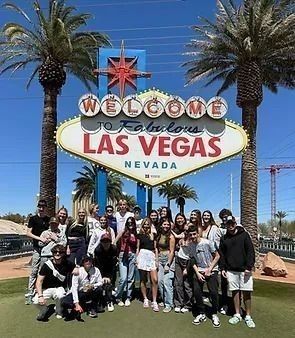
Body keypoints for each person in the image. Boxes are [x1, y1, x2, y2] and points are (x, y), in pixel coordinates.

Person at [219, 216, 256, 328]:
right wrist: (223, 268)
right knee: (235, 292)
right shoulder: (224, 238)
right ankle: (237, 314)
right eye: (228, 224)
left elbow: (250, 251)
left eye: (232, 223)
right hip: (231, 270)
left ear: (235, 223)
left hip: (245, 270)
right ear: (225, 225)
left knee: (246, 292)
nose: (230, 225)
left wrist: (249, 267)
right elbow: (222, 255)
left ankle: (248, 316)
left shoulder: (244, 235)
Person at [188, 226, 221, 328]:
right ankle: (201, 313)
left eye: (194, 234)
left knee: (214, 292)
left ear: (198, 234)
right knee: (197, 291)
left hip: (211, 270)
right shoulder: (190, 245)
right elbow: (192, 260)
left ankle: (214, 313)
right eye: (190, 235)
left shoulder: (207, 242)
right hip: (199, 270)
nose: (193, 236)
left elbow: (217, 256)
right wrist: (197, 273)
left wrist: (209, 269)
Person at [33, 244, 75, 321]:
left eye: (60, 252)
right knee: (36, 301)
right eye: (55, 252)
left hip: (59, 288)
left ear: (63, 253)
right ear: (52, 253)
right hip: (47, 288)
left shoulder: (67, 263)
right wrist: (40, 296)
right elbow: (39, 281)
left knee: (61, 295)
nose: (57, 254)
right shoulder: (46, 265)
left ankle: (59, 310)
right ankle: (44, 310)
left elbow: (76, 270)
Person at [25, 199, 50, 304]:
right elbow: (28, 233)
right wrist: (40, 238)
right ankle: (30, 293)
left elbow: (51, 232)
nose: (41, 208)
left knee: (44, 271)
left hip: (46, 250)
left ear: (46, 208)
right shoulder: (33, 219)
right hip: (36, 249)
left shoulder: (48, 219)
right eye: (39, 206)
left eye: (43, 206)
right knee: (34, 271)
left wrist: (48, 239)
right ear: (38, 207)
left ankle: (41, 292)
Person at [136, 218, 159, 312]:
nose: (146, 226)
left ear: (150, 225)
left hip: (151, 256)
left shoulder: (153, 235)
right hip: (142, 256)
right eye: (144, 224)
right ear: (142, 225)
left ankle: (154, 301)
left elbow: (155, 248)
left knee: (155, 280)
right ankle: (145, 298)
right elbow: (137, 248)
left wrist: (156, 259)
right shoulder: (139, 235)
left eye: (147, 224)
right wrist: (137, 259)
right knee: (143, 279)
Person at [115, 216, 137, 306]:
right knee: (123, 278)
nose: (130, 224)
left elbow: (137, 245)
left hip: (132, 255)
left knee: (130, 279)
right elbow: (115, 241)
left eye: (132, 222)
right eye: (128, 222)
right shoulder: (123, 231)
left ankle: (128, 297)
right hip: (123, 255)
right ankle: (118, 297)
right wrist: (116, 254)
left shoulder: (136, 233)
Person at [94, 233, 118, 312]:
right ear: (101, 242)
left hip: (110, 269)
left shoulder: (114, 249)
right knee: (100, 286)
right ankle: (99, 302)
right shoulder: (97, 250)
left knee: (109, 285)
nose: (106, 243)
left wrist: (110, 277)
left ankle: (109, 301)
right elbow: (97, 265)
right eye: (104, 241)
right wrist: (102, 277)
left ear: (110, 242)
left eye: (107, 241)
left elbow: (114, 265)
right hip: (100, 270)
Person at [156, 219, 175, 313]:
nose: (166, 226)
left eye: (168, 224)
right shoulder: (159, 235)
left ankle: (169, 304)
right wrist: (156, 260)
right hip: (160, 259)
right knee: (160, 281)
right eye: (164, 224)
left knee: (167, 282)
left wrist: (168, 263)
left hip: (168, 260)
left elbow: (172, 251)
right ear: (161, 225)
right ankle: (164, 300)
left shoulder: (171, 236)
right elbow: (156, 248)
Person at [218, 208, 233, 315]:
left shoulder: (235, 227)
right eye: (223, 217)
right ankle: (225, 304)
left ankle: (234, 304)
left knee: (235, 284)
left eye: (226, 216)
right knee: (224, 284)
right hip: (223, 259)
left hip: (234, 260)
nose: (224, 218)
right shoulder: (219, 228)